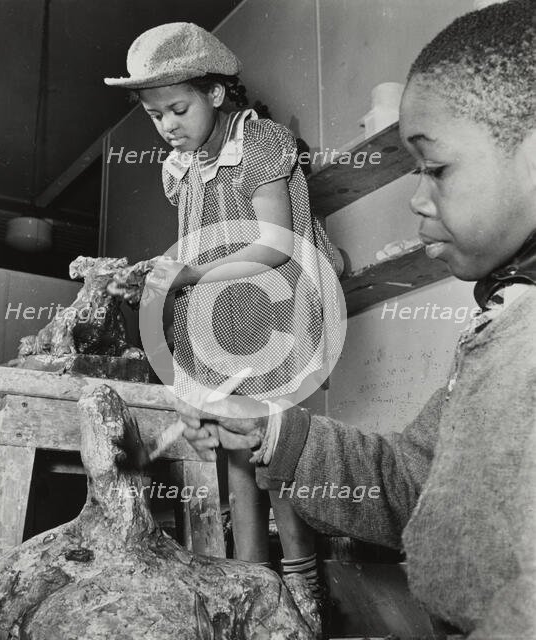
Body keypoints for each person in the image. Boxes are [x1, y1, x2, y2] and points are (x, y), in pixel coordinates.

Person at [175, 1, 536, 637]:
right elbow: (408, 482)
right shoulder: (503, 325)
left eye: (437, 169)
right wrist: (271, 435)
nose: (418, 199)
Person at [105, 22, 344, 606]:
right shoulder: (179, 169)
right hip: (225, 315)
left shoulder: (259, 141)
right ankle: (252, 584)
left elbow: (272, 245)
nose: (167, 127)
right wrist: (157, 271)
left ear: (215, 93)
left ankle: (302, 585)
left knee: (274, 447)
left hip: (281, 307)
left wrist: (187, 275)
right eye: (155, 115)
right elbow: (202, 243)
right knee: (234, 448)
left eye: (178, 109)